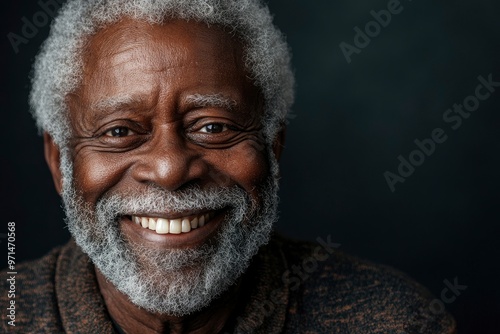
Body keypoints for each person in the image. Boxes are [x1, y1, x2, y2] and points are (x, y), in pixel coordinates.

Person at [1, 0, 456, 333]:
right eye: (119, 132)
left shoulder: (397, 322)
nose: (170, 169)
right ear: (60, 162)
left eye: (213, 127)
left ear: (272, 147)